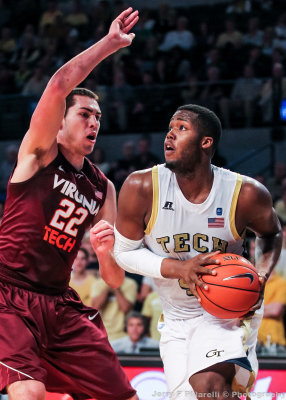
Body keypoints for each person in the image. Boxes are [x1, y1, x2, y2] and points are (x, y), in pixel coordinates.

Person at [0, 7, 139, 400]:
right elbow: (60, 82)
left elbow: (114, 280)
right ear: (59, 122)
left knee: (124, 396)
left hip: (59, 304)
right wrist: (110, 44)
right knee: (29, 393)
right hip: (8, 294)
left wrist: (106, 251)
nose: (93, 122)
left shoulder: (103, 187)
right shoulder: (39, 153)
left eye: (97, 116)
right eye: (83, 114)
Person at [114, 104, 282, 399]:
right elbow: (124, 253)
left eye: (181, 128)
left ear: (206, 142)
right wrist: (179, 268)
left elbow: (272, 233)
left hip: (226, 312)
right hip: (175, 318)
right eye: (169, 128)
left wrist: (262, 276)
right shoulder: (141, 186)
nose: (169, 135)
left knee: (209, 388)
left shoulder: (244, 193)